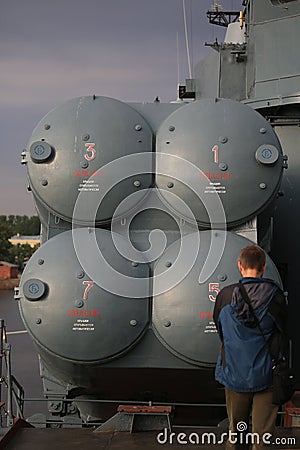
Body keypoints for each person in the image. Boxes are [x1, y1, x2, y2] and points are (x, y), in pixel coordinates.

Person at [213, 245, 288, 450]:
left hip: (234, 373)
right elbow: (282, 332)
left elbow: (221, 331)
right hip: (266, 375)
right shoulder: (275, 296)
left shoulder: (225, 296)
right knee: (261, 440)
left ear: (240, 266)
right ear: (263, 267)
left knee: (235, 434)